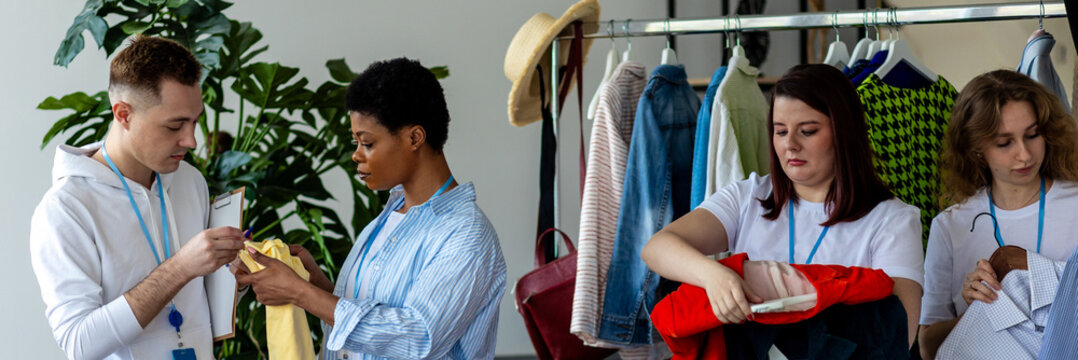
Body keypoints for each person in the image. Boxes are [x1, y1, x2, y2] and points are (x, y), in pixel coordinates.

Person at [234, 58, 507, 359]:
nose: (356, 155)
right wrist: (312, 283)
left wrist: (302, 293)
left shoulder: (466, 235)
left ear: (414, 138)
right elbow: (366, 327)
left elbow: (416, 339)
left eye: (367, 143)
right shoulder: (388, 218)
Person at [641, 64, 925, 347]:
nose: (790, 144)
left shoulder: (893, 220)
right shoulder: (748, 197)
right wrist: (714, 276)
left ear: (844, 133)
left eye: (808, 131)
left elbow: (901, 335)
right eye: (780, 131)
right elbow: (658, 248)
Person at [29, 36, 246, 359]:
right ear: (123, 114)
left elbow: (200, 314)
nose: (191, 140)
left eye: (195, 121)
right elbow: (78, 344)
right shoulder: (66, 209)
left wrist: (235, 280)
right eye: (175, 126)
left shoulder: (190, 181)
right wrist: (180, 268)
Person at [918, 69, 1078, 359]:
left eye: (1033, 135)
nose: (1025, 154)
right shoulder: (950, 226)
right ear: (976, 148)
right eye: (1005, 143)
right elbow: (928, 347)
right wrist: (974, 310)